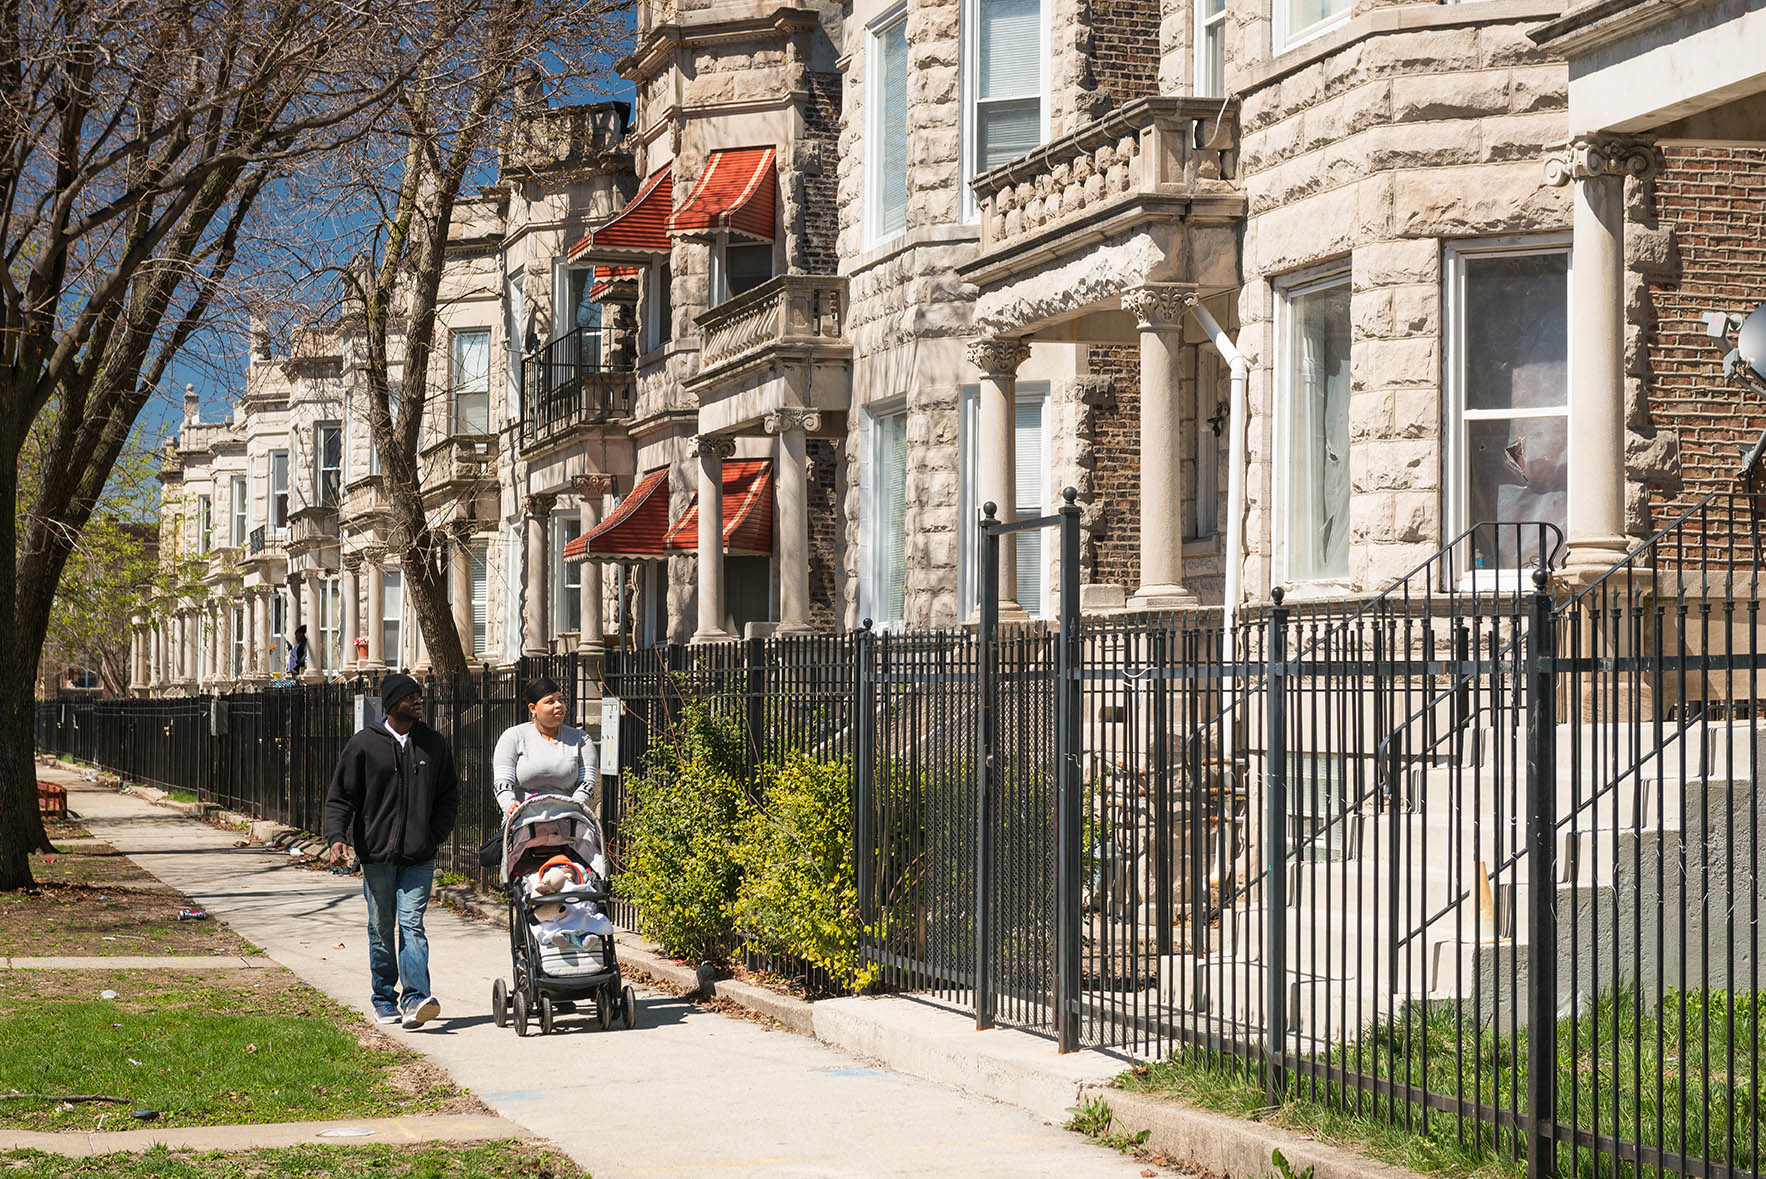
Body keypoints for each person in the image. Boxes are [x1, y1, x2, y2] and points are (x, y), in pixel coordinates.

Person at [323, 673, 459, 1029]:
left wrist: (432, 837)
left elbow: (449, 797)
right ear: (392, 703)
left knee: (412, 924)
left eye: (419, 695)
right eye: (411, 696)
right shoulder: (364, 745)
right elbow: (341, 797)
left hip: (419, 855)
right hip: (376, 855)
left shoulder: (433, 743)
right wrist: (336, 837)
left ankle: (415, 998)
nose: (418, 701)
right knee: (382, 928)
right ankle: (383, 998)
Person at [493, 676, 599, 817]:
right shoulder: (512, 737)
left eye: (561, 700)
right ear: (533, 708)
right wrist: (510, 805)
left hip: (568, 819)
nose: (559, 705)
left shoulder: (581, 739)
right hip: (522, 820)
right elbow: (502, 781)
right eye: (550, 701)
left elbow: (587, 782)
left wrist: (574, 807)